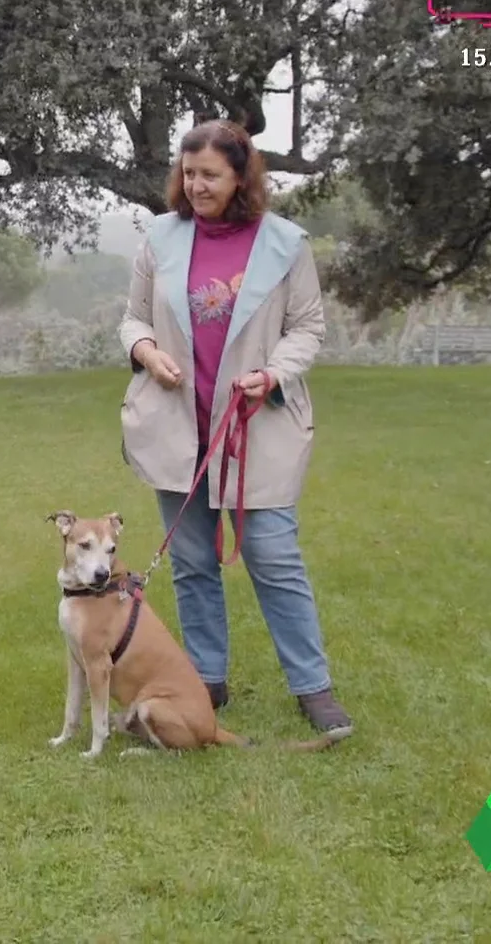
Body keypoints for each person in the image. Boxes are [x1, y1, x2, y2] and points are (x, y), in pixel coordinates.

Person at [117, 118, 354, 740]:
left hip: (256, 427)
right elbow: (132, 319)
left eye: (210, 176)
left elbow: (308, 327)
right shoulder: (160, 239)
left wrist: (273, 374)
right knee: (193, 562)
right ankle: (206, 680)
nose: (196, 186)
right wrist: (146, 352)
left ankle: (313, 688)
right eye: (188, 173)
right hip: (178, 426)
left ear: (241, 177)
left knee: (274, 558)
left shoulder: (285, 244)